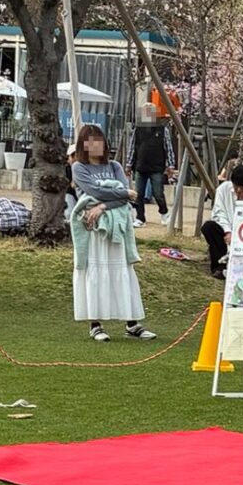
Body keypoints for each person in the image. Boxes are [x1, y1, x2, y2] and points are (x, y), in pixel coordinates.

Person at [69, 125, 155, 341]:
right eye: (90, 141)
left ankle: (132, 323)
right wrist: (119, 194)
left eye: (99, 140)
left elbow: (127, 196)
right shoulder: (79, 167)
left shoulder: (115, 166)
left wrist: (102, 206)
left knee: (122, 270)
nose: (96, 145)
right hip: (93, 229)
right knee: (95, 270)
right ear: (83, 145)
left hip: (115, 224)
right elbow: (93, 191)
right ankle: (95, 323)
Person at [200, 163, 243, 280]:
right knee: (209, 227)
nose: (238, 190)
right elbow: (219, 213)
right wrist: (228, 231)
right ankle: (219, 266)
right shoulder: (223, 189)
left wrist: (239, 236)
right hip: (225, 231)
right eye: (236, 186)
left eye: (242, 188)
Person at [130, 119, 173, 225]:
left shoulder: (163, 130)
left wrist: (170, 164)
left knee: (158, 193)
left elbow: (168, 148)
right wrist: (129, 163)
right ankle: (140, 217)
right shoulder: (138, 129)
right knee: (138, 194)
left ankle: (164, 212)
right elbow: (132, 147)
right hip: (141, 166)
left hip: (157, 166)